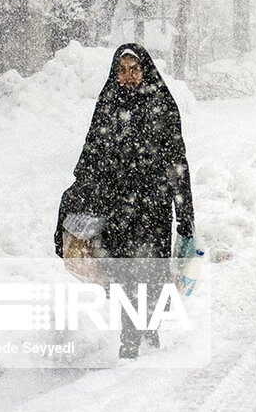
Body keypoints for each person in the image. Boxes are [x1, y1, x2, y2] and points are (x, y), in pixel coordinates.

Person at [55, 44, 195, 360]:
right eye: (123, 70)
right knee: (128, 273)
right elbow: (91, 156)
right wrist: (78, 197)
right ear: (115, 74)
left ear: (145, 70)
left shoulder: (162, 105)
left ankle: (147, 331)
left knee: (151, 272)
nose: (128, 76)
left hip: (154, 206)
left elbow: (177, 162)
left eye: (134, 69)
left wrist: (184, 213)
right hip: (118, 207)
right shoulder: (108, 105)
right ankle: (130, 342)